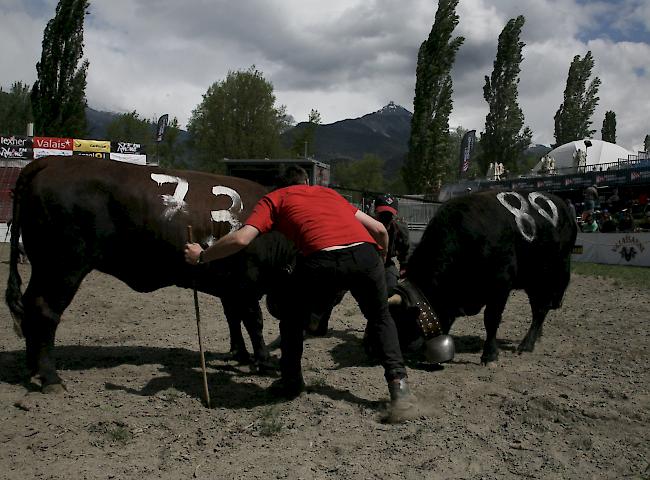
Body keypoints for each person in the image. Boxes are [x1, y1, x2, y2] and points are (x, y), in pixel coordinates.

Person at [184, 166, 415, 411]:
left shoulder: (274, 199)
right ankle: (398, 385)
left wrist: (202, 256)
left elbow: (242, 239)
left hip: (320, 260)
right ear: (306, 181)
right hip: (365, 255)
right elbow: (379, 230)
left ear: (279, 186)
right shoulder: (329, 194)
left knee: (292, 319)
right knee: (380, 317)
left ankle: (291, 382)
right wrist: (380, 260)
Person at [373, 194, 410, 296]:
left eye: (389, 215)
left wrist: (403, 266)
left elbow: (405, 249)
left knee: (392, 286)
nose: (386, 218)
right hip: (367, 263)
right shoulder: (366, 226)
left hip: (387, 264)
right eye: (382, 214)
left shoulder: (399, 230)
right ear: (375, 212)